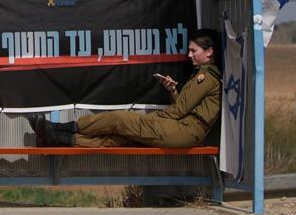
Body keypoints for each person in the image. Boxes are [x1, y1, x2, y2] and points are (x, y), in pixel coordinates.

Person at [29, 28, 222, 148]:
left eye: (193, 50)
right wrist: (172, 91)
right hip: (182, 129)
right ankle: (57, 138)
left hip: (184, 132)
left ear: (209, 51)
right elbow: (183, 106)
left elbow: (179, 110)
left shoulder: (206, 76)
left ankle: (61, 127)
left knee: (119, 118)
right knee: (116, 139)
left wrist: (154, 118)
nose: (189, 55)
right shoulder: (201, 74)